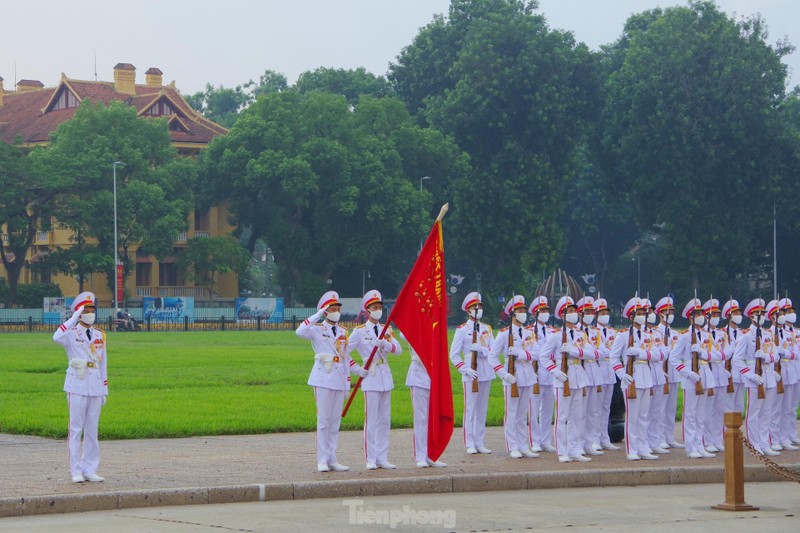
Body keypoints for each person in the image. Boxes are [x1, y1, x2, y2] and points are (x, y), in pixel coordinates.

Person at [296, 291, 367, 472]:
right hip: (323, 378)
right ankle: (321, 460)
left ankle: (332, 458)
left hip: (338, 378)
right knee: (323, 421)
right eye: (332, 309)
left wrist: (354, 374)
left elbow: (344, 357)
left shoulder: (343, 331)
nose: (336, 312)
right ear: (325, 312)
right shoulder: (317, 329)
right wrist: (318, 313)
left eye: (337, 309)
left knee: (335, 421)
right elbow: (299, 331)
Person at [53, 291, 108, 483]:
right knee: (76, 430)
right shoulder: (70, 334)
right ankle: (76, 470)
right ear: (79, 312)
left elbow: (103, 363)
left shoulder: (100, 334)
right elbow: (56, 337)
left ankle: (90, 468)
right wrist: (74, 317)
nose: (90, 313)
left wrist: (104, 388)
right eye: (86, 310)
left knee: (92, 430)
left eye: (92, 309)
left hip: (94, 384)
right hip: (77, 384)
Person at [346, 290, 402, 470]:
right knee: (371, 420)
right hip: (370, 376)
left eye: (380, 307)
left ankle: (382, 456)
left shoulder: (387, 329)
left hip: (385, 376)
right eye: (374, 308)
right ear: (367, 311)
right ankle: (370, 458)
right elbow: (343, 353)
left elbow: (399, 350)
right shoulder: (359, 331)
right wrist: (357, 369)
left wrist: (385, 344)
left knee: (385, 420)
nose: (378, 310)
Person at [539, 296, 591, 463]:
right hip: (563, 377)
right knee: (562, 416)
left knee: (578, 415)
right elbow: (544, 357)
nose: (573, 314)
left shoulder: (581, 334)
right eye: (570, 311)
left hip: (578, 375)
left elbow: (591, 352)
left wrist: (575, 351)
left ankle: (574, 449)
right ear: (562, 315)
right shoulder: (555, 335)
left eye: (574, 311)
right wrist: (555, 371)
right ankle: (562, 451)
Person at [488, 295, 539, 459]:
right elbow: (492, 357)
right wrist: (503, 374)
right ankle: (513, 445)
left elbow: (537, 353)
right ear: (513, 314)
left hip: (527, 376)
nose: (523, 313)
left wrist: (520, 353)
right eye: (520, 311)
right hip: (512, 376)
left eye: (524, 310)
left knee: (523, 413)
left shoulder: (529, 333)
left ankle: (523, 445)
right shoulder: (503, 334)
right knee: (511, 413)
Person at [611, 296, 658, 461]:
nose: (642, 316)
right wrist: (622, 375)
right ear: (631, 316)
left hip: (646, 375)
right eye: (639, 313)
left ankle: (643, 447)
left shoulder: (649, 335)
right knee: (632, 416)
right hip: (631, 378)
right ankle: (632, 449)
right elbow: (613, 358)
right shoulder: (623, 336)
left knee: (644, 416)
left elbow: (659, 354)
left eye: (643, 313)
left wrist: (641, 353)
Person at [732, 298, 781, 456]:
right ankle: (754, 444)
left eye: (763, 313)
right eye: (758, 314)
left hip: (768, 375)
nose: (762, 316)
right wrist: (750, 375)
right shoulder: (746, 335)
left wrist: (767, 359)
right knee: (754, 412)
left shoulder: (768, 334)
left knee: (767, 411)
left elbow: (776, 355)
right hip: (754, 376)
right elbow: (737, 360)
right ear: (752, 316)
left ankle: (764, 442)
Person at [671, 297, 717, 459]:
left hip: (705, 374)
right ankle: (691, 447)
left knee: (701, 414)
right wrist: (687, 372)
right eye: (697, 314)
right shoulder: (684, 336)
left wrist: (702, 353)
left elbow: (716, 355)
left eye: (702, 313)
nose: (701, 316)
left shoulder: (707, 334)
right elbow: (673, 358)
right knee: (690, 414)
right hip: (691, 376)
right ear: (690, 317)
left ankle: (700, 444)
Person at [449, 292, 494, 455]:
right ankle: (469, 442)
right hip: (470, 371)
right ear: (468, 310)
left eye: (480, 307)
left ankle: (480, 442)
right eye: (475, 307)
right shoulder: (462, 330)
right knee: (471, 408)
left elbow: (493, 350)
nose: (478, 309)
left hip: (485, 370)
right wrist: (464, 369)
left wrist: (481, 349)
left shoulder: (486, 328)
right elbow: (453, 354)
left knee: (482, 409)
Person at [405, 339, 447, 468]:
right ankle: (420, 456)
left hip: (433, 375)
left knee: (432, 420)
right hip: (418, 375)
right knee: (421, 419)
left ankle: (431, 455)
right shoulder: (415, 328)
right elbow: (404, 333)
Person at [527, 296, 557, 453]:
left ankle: (545, 440)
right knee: (534, 408)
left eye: (547, 310)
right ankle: (535, 440)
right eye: (542, 311)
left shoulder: (553, 331)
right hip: (535, 372)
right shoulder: (529, 332)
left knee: (547, 408)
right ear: (535, 314)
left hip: (550, 372)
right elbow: (532, 352)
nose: (546, 313)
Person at [656, 296, 684, 449]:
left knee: (671, 408)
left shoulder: (675, 333)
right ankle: (659, 438)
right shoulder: (656, 332)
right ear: (660, 314)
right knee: (660, 408)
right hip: (662, 374)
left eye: (672, 311)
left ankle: (669, 436)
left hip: (674, 374)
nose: (670, 314)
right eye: (667, 312)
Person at [593, 298, 620, 451]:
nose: (605, 315)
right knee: (596, 408)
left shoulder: (612, 332)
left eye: (606, 313)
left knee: (606, 407)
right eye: (602, 313)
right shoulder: (592, 332)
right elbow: (598, 351)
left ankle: (604, 437)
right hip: (598, 370)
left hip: (610, 371)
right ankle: (595, 438)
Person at [776, 298, 799, 451]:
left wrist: (787, 353)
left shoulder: (796, 332)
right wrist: (790, 354)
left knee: (792, 407)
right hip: (783, 371)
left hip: (795, 371)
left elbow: (796, 353)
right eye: (787, 312)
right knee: (782, 407)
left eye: (791, 311)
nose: (791, 314)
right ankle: (781, 437)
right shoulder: (778, 333)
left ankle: (791, 434)